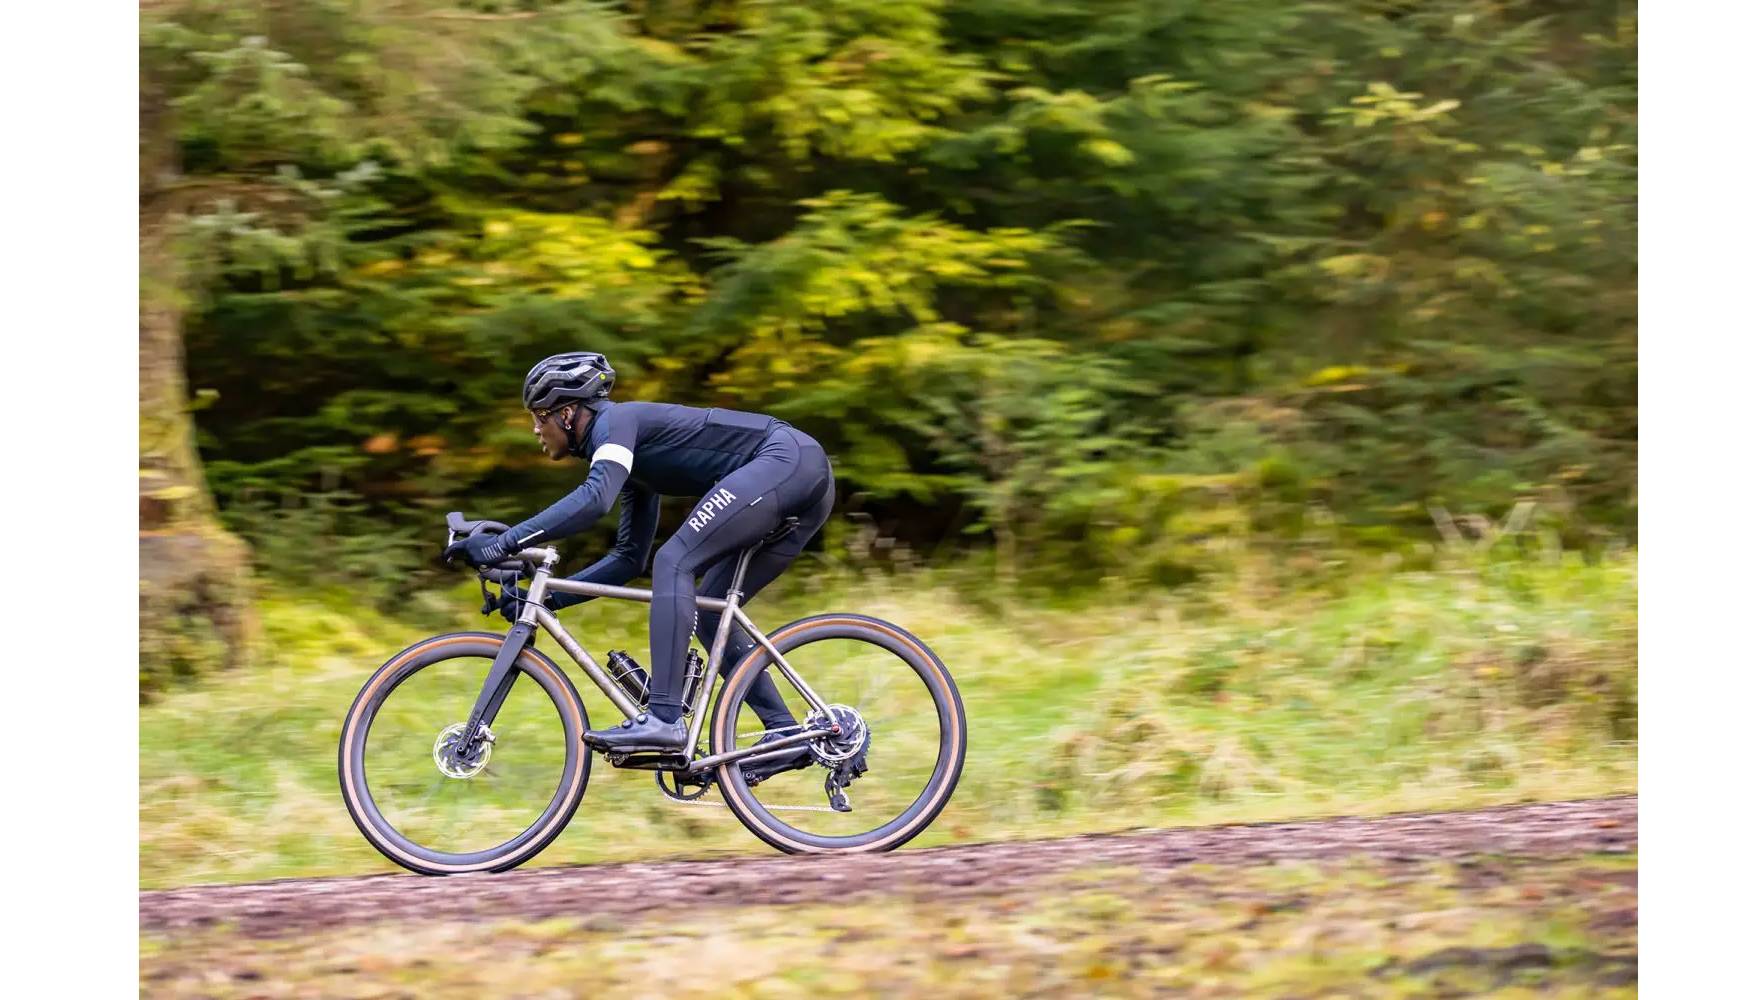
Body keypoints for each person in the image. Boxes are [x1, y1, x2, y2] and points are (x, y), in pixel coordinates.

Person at [444, 352, 833, 777]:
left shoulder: (617, 423)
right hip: (801, 475)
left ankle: (665, 720)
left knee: (675, 561)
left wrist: (505, 542)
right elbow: (628, 560)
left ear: (569, 413)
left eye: (540, 417)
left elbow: (594, 501)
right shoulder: (631, 460)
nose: (536, 429)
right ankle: (782, 731)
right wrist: (547, 601)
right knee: (705, 608)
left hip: (785, 461)